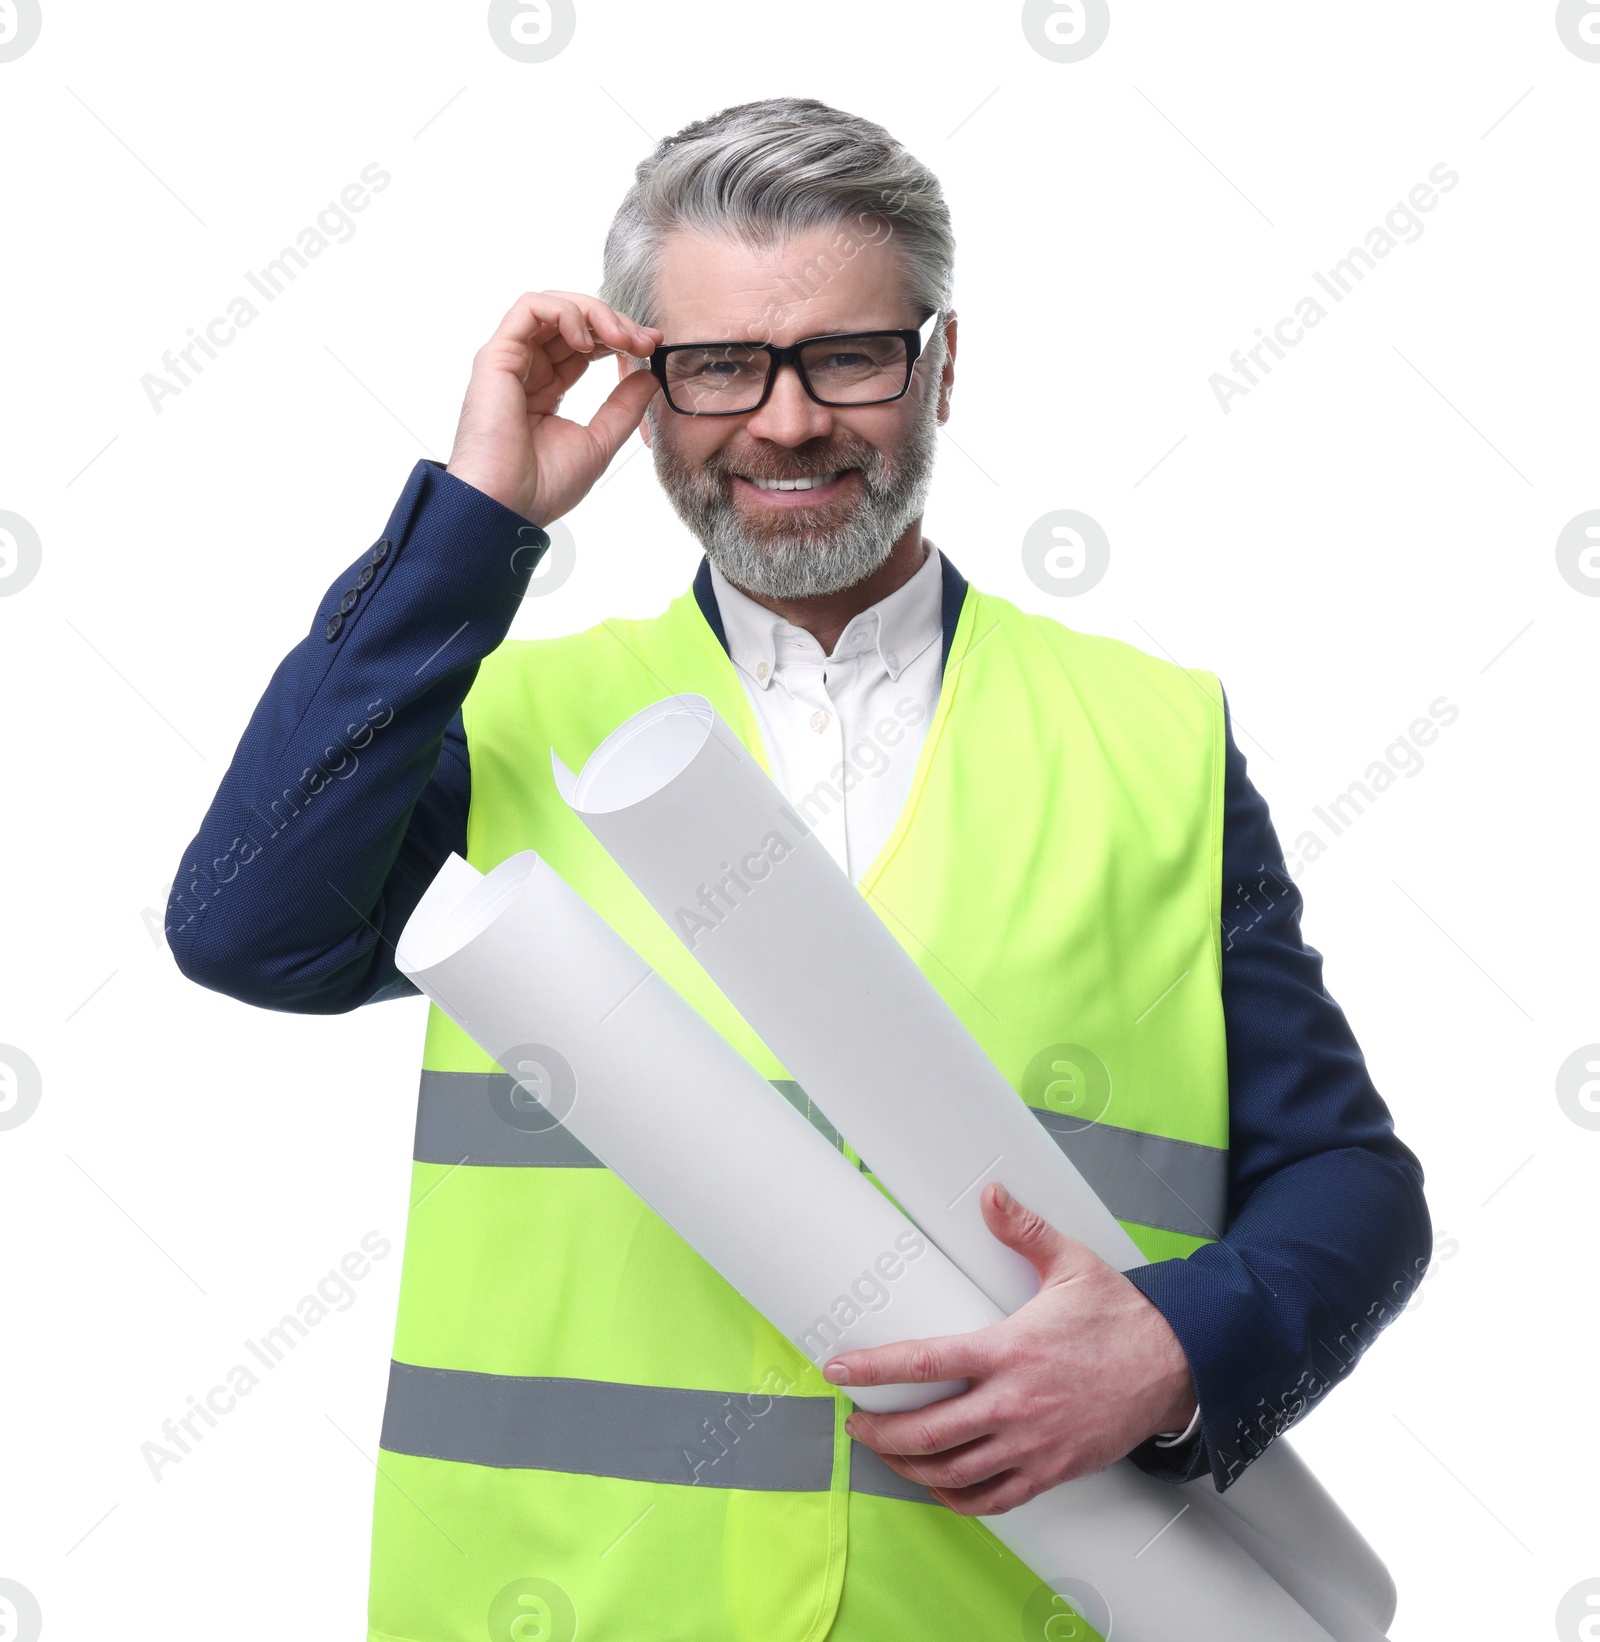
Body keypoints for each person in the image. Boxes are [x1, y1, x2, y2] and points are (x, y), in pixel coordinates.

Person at [168, 97, 1429, 1642]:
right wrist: (475, 522)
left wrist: (1175, 1349)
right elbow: (247, 927)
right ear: (641, 382)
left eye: (847, 355)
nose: (783, 422)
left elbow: (1350, 1181)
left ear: (942, 364)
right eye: (716, 366)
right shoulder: (502, 719)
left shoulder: (1151, 736)